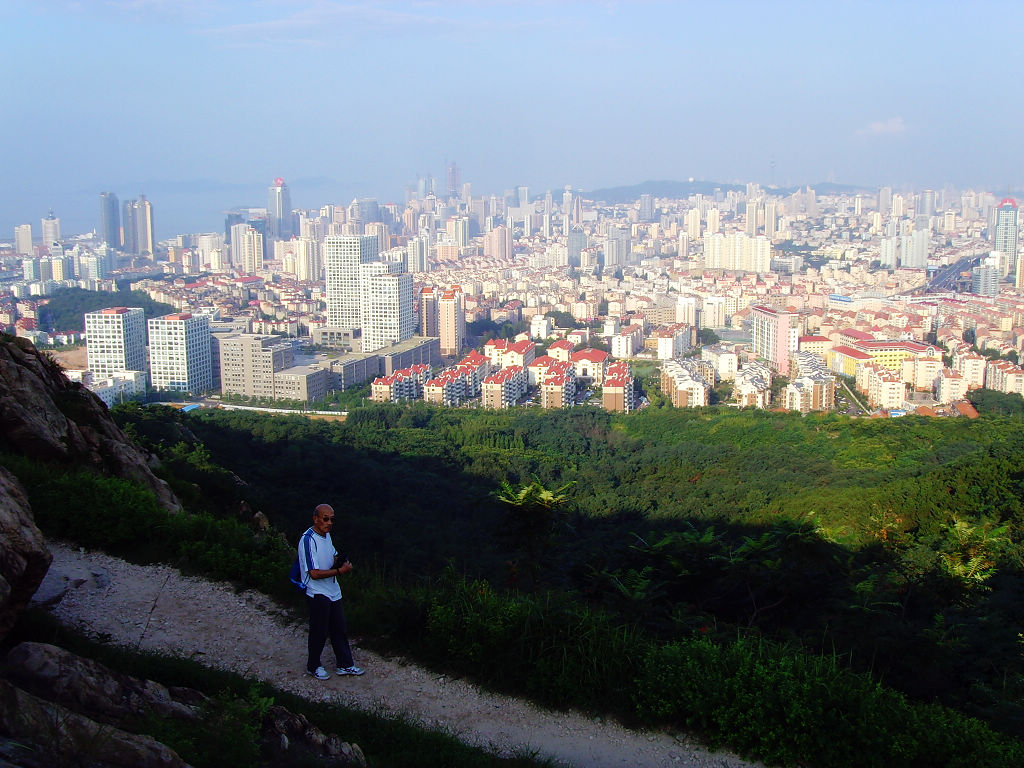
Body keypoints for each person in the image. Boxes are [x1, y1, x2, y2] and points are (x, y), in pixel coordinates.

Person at [298, 503, 365, 680]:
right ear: (316, 519)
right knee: (319, 630)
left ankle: (345, 664)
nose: (329, 523)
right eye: (325, 519)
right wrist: (339, 572)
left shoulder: (326, 536)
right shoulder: (308, 540)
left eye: (332, 519)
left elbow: (332, 554)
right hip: (317, 591)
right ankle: (313, 665)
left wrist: (341, 561)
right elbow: (313, 573)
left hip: (333, 590)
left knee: (339, 628)